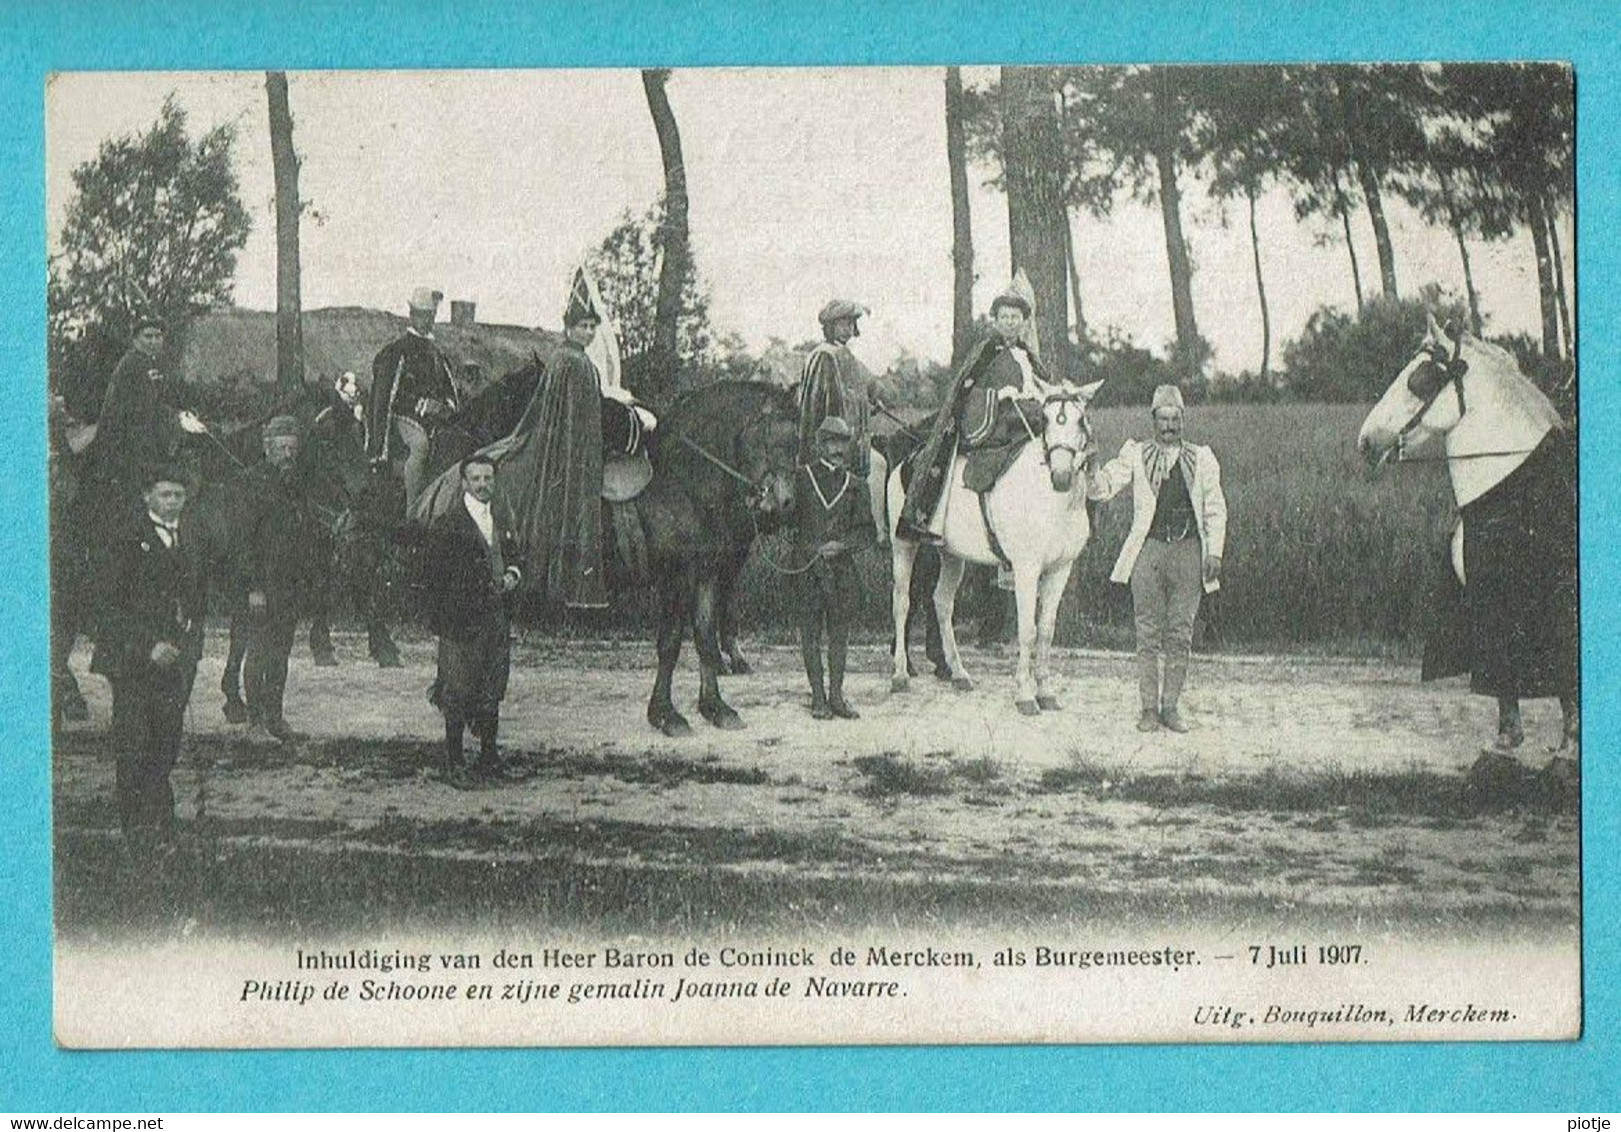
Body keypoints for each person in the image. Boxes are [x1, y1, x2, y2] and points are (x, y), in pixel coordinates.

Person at [1086, 384, 1227, 733]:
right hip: (1148, 553)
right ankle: (1148, 708)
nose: (1169, 426)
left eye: (1175, 419)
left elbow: (1215, 509)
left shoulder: (1202, 458)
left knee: (1181, 633)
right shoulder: (1136, 454)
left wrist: (1215, 552)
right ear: (1153, 420)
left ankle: (1171, 707)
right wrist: (1089, 465)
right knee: (1147, 634)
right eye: (1163, 419)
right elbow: (1101, 488)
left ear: (1183, 420)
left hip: (1190, 552)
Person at [89, 465, 206, 854]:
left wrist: (186, 641)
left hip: (172, 662)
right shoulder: (125, 539)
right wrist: (147, 646)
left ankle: (161, 825)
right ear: (147, 496)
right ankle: (136, 832)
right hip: (131, 662)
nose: (172, 502)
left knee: (165, 743)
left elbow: (194, 599)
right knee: (134, 743)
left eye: (178, 495)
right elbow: (104, 607)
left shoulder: (188, 539)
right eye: (165, 494)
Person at [895, 288, 1052, 542]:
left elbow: (1042, 385)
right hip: (995, 422)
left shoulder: (1028, 356)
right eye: (1005, 317)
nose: (1010, 322)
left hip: (1028, 420)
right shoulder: (986, 350)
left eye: (1015, 317)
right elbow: (966, 388)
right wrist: (997, 396)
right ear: (996, 320)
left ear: (1024, 322)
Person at [502, 277, 610, 609]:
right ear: (569, 328)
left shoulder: (574, 359)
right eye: (582, 326)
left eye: (592, 327)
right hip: (569, 454)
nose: (588, 333)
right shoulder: (571, 362)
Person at [422, 454, 523, 785]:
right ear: (464, 483)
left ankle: (489, 757)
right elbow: (435, 577)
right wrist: (446, 620)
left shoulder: (501, 519)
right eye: (476, 479)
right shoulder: (449, 523)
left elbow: (516, 556)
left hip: (495, 617)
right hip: (461, 620)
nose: (483, 485)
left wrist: (512, 574)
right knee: (458, 689)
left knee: (493, 685)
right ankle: (454, 762)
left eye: (488, 479)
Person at [233, 415, 325, 746]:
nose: (288, 454)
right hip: (261, 585)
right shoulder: (250, 482)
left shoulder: (295, 485)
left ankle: (275, 717)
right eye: (281, 447)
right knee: (258, 651)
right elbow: (243, 540)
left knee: (281, 653)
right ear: (267, 448)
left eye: (292, 448)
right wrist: (253, 588)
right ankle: (254, 722)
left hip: (289, 585)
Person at [793, 416, 874, 720]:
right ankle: (817, 697)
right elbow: (787, 517)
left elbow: (867, 532)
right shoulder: (801, 479)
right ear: (819, 444)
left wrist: (842, 545)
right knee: (810, 633)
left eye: (842, 442)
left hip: (841, 573)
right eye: (830, 441)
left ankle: (837, 697)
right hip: (807, 569)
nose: (837, 448)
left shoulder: (857, 486)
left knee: (839, 635)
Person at [91, 314, 209, 514]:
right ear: (135, 339)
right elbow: (141, 409)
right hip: (130, 444)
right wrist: (176, 419)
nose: (154, 341)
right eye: (148, 336)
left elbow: (167, 397)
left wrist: (182, 413)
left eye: (158, 336)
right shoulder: (132, 365)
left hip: (148, 439)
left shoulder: (152, 363)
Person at [367, 288, 461, 505]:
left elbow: (449, 389)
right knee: (420, 446)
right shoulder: (397, 351)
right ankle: (413, 508)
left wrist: (444, 405)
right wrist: (421, 405)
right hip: (403, 416)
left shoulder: (437, 354)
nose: (425, 320)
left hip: (434, 417)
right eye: (420, 314)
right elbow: (387, 395)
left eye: (429, 315)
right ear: (411, 314)